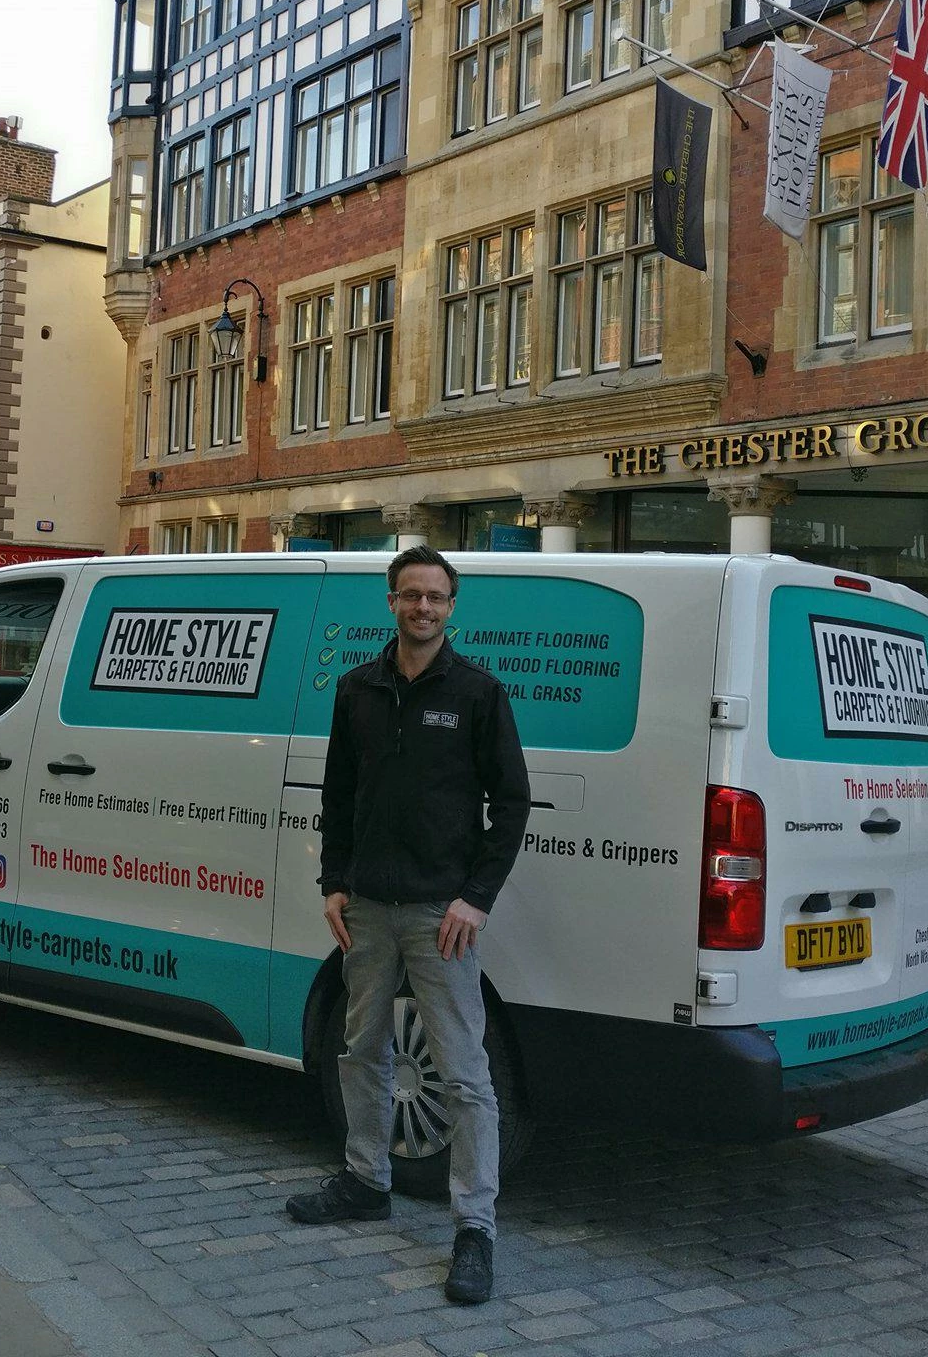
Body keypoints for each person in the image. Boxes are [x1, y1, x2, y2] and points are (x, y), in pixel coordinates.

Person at [284, 545, 530, 1307]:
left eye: (436, 598)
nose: (423, 608)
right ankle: (365, 1180)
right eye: (411, 595)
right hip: (367, 909)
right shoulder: (358, 688)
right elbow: (338, 792)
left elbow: (513, 804)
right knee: (361, 1049)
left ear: (451, 608)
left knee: (463, 1072)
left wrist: (476, 898)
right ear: (390, 601)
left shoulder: (479, 693)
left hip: (439, 915)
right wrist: (333, 883)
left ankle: (475, 1229)